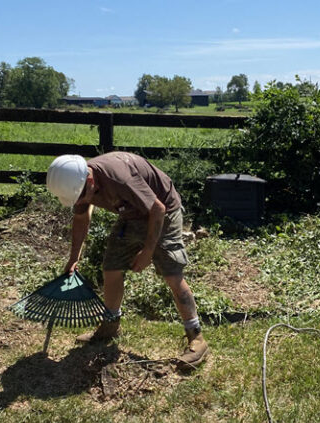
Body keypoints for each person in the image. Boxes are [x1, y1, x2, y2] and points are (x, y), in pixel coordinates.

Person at [45, 152, 208, 370]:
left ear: (90, 180)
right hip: (131, 215)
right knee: (111, 267)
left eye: (83, 195)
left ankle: (196, 337)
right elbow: (81, 217)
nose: (82, 200)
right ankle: (110, 325)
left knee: (171, 273)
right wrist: (74, 258)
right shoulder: (78, 185)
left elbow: (157, 209)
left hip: (163, 212)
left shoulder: (119, 178)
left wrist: (148, 252)